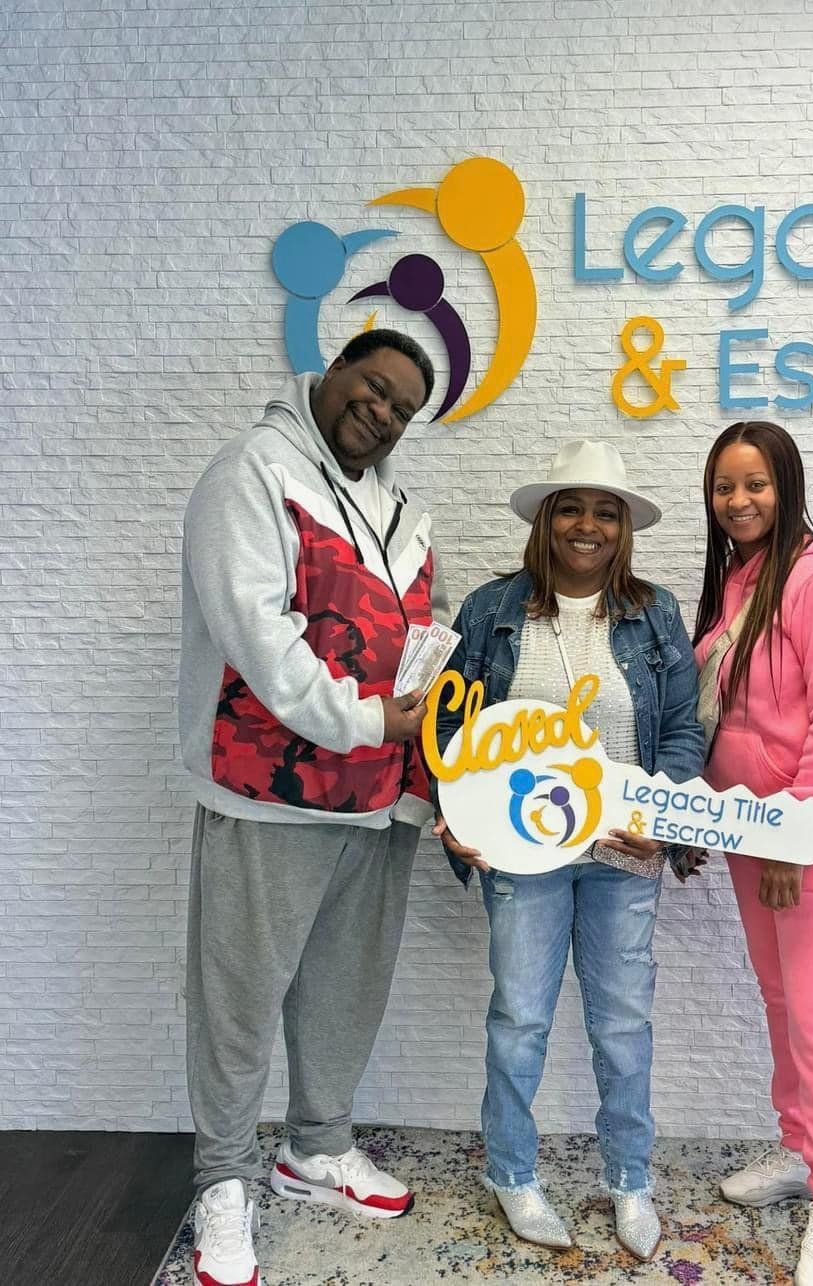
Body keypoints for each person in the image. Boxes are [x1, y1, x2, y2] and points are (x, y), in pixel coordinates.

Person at [178, 329, 448, 1286]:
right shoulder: (250, 473)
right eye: (372, 388)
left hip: (380, 796)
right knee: (239, 998)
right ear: (330, 373)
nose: (381, 412)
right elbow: (260, 638)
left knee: (345, 986)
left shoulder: (404, 508)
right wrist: (373, 714)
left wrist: (427, 765)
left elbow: (426, 636)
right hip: (269, 790)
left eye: (402, 409)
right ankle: (224, 1178)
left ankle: (316, 1146)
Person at [432, 440, 704, 1261]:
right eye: (572, 508)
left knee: (621, 1024)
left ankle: (629, 1181)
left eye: (605, 511)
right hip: (521, 855)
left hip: (623, 852)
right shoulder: (490, 611)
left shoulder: (653, 614)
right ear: (547, 520)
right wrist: (456, 812)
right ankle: (511, 1173)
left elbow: (685, 731)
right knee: (519, 1018)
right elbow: (448, 727)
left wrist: (661, 812)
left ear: (623, 529)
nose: (587, 524)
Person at [693, 421, 813, 1286]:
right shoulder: (738, 581)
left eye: (755, 484)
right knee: (780, 1001)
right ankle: (801, 1151)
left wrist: (792, 835)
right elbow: (726, 720)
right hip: (752, 839)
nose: (738, 501)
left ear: (787, 485)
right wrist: (701, 823)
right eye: (725, 487)